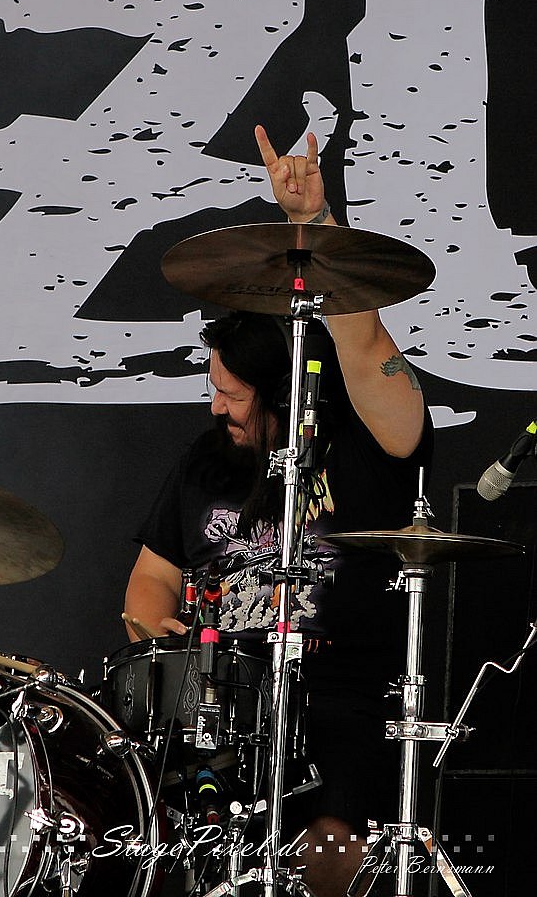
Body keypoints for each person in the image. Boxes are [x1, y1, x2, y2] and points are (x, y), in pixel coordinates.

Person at [124, 126, 434, 897]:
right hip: (218, 703)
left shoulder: (368, 443)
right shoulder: (204, 460)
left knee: (326, 852)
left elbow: (363, 342)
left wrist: (312, 221)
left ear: (284, 392)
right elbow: (148, 583)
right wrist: (164, 643)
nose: (215, 407)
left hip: (336, 703)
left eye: (231, 395)